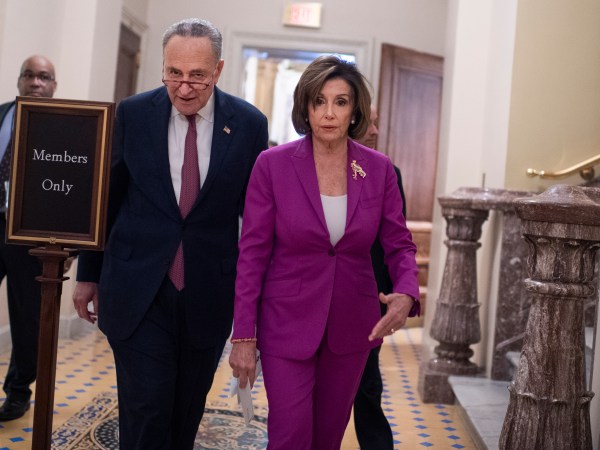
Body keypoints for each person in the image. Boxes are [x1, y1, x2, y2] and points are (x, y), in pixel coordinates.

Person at [72, 18, 268, 450]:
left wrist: (252, 313)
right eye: (173, 73)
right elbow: (108, 198)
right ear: (162, 68)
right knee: (147, 409)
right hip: (138, 287)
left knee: (184, 413)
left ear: (217, 70)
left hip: (207, 292)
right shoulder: (133, 114)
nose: (183, 87)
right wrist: (88, 274)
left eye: (196, 75)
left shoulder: (250, 125)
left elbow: (255, 221)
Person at [229, 55, 420, 449]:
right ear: (306, 107)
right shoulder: (272, 165)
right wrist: (243, 334)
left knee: (327, 438)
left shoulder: (378, 169)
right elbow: (252, 254)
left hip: (352, 324)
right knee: (290, 436)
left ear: (355, 111)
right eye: (319, 101)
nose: (328, 113)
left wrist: (406, 292)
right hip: (286, 324)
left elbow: (398, 242)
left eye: (340, 102)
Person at [0, 55, 57, 421]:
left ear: (54, 84)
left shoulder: (65, 124)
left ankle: (18, 393)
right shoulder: (2, 113)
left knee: (26, 318)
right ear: (19, 80)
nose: (35, 82)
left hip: (29, 233)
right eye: (29, 75)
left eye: (44, 77)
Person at [353, 105, 407, 450]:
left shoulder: (389, 172)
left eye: (377, 123)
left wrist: (392, 294)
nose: (374, 131)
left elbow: (396, 241)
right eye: (369, 123)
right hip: (312, 298)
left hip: (369, 299)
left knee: (367, 388)